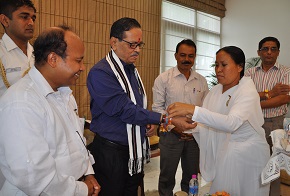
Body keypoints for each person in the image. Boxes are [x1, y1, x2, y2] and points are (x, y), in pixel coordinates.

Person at [0, 25, 101, 195]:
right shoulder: (22, 102)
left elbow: (77, 142)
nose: (83, 67)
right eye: (78, 60)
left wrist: (88, 172)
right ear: (53, 59)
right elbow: (34, 178)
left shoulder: (64, 94)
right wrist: (82, 190)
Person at [167, 46, 270, 196]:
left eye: (224, 65)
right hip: (227, 152)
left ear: (240, 67)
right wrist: (189, 127)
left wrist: (192, 110)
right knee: (222, 192)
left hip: (249, 155)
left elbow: (231, 123)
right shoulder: (215, 91)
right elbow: (208, 122)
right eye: (216, 65)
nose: (218, 70)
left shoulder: (247, 90)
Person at [87, 17, 163, 196]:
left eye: (140, 44)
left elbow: (136, 106)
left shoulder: (131, 70)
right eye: (132, 45)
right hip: (111, 153)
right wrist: (160, 118)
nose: (137, 50)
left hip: (132, 151)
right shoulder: (101, 72)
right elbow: (124, 109)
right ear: (114, 42)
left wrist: (145, 122)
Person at [152, 39, 208, 195]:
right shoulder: (163, 79)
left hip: (194, 137)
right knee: (166, 177)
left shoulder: (201, 81)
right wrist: (175, 127)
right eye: (183, 55)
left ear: (195, 57)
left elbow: (205, 109)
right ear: (175, 56)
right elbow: (157, 108)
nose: (187, 59)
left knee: (192, 176)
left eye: (191, 56)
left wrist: (195, 128)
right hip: (170, 134)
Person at [245, 37, 290, 196]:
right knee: (251, 161)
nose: (269, 52)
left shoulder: (286, 72)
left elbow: (284, 99)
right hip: (252, 123)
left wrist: (255, 103)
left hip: (275, 124)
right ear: (259, 52)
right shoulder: (249, 73)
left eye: (273, 49)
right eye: (265, 49)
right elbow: (244, 98)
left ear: (278, 52)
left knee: (274, 164)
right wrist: (269, 94)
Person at [0, 0, 36, 96]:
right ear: (5, 20)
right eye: (24, 17)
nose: (31, 23)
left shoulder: (39, 53)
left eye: (33, 18)